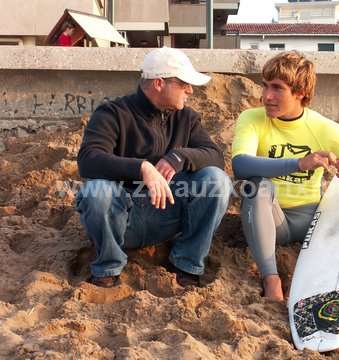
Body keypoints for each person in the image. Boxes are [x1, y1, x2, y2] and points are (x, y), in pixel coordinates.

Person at [231, 51, 339, 301]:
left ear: (300, 92)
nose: (267, 96)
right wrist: (299, 163)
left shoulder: (324, 129)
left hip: (312, 223)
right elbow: (241, 165)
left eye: (277, 88)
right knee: (257, 186)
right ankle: (271, 279)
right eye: (265, 86)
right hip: (271, 219)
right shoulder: (252, 118)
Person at [76, 47, 231, 288]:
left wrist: (179, 157)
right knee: (96, 192)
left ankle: (186, 264)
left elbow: (215, 156)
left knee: (216, 180)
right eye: (183, 84)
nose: (190, 90)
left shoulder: (186, 118)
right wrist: (142, 168)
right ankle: (107, 268)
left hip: (168, 215)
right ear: (159, 83)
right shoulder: (113, 113)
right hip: (121, 219)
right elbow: (88, 159)